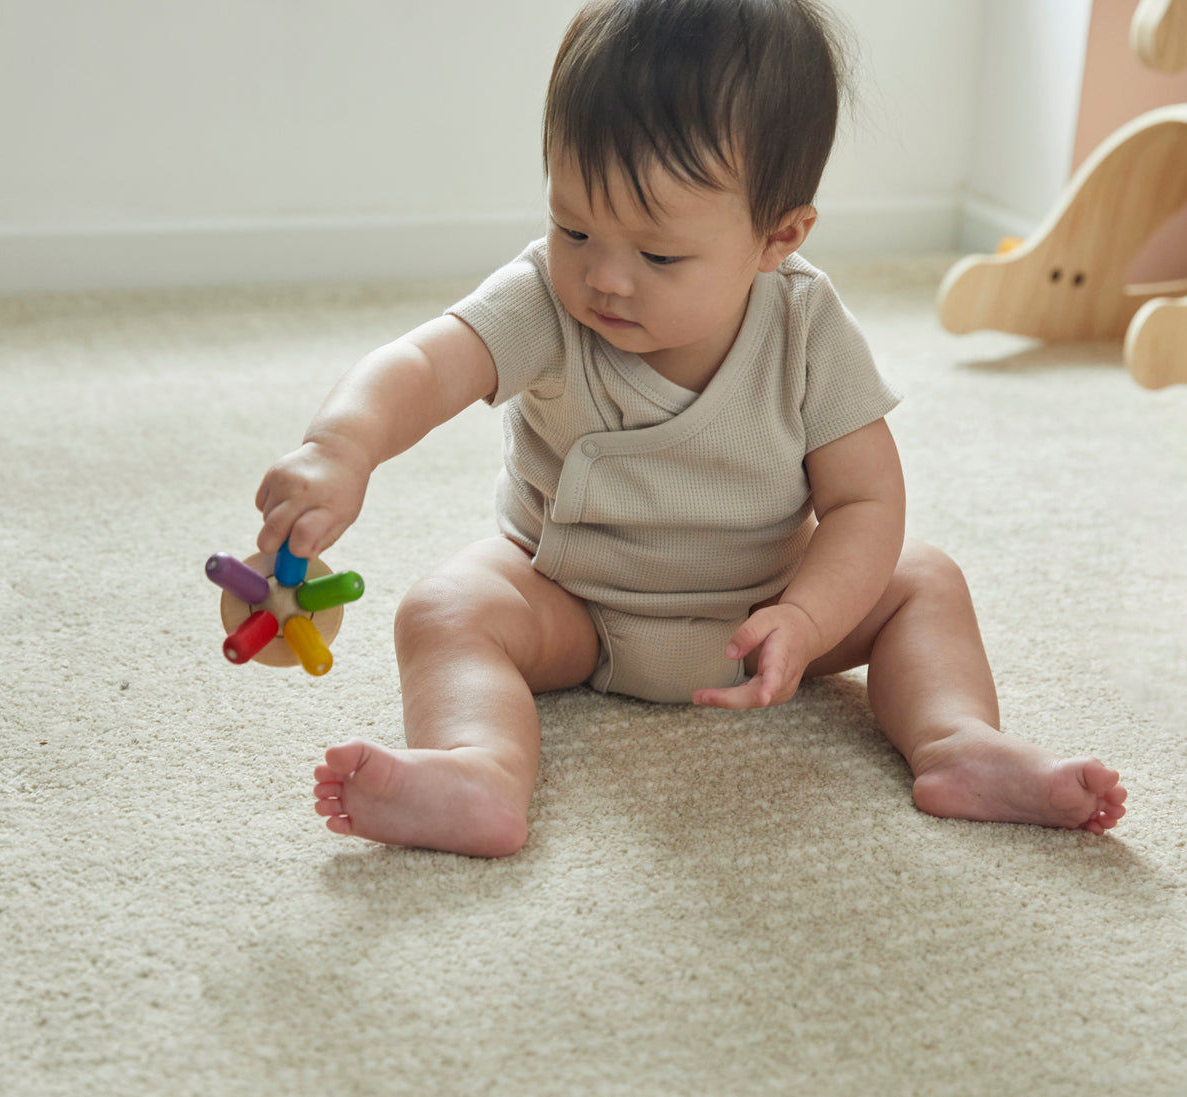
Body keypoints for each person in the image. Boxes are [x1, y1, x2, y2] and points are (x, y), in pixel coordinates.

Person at [254, 0, 1127, 857]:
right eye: (573, 226)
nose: (604, 277)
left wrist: (811, 617)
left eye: (659, 254)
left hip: (763, 607)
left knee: (924, 580)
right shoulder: (542, 302)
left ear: (777, 236)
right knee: (446, 607)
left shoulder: (806, 329)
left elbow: (865, 500)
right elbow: (424, 365)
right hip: (570, 601)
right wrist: (342, 446)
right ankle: (476, 767)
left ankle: (958, 742)